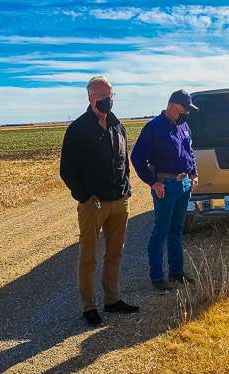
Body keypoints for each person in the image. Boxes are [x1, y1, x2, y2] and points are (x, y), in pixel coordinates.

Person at [60, 76, 139, 326]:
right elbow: (68, 170)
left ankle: (112, 300)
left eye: (111, 96)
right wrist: (84, 196)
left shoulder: (118, 126)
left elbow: (123, 161)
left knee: (115, 253)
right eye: (103, 97)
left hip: (120, 201)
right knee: (89, 256)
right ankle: (89, 306)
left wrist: (127, 188)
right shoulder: (78, 129)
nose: (108, 101)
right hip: (93, 204)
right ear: (91, 98)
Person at [131, 89, 199, 291]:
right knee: (161, 230)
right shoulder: (153, 127)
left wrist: (194, 174)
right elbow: (137, 158)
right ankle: (157, 277)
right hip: (165, 186)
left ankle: (176, 272)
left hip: (184, 184)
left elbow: (190, 152)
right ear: (172, 105)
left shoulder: (184, 126)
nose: (186, 112)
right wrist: (153, 182)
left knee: (176, 230)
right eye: (184, 108)